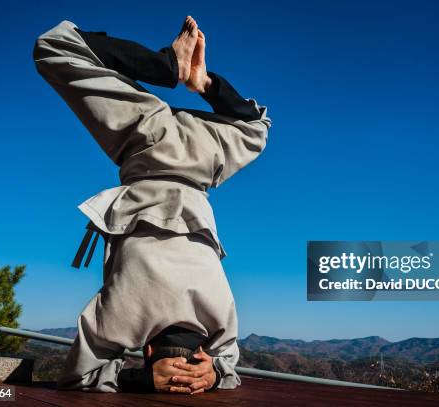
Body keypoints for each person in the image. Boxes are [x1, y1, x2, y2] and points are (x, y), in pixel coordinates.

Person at [32, 16, 271, 394]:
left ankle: (181, 71)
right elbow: (81, 378)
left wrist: (213, 372)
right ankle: (175, 68)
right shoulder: (122, 317)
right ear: (144, 348)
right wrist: (143, 378)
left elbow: (258, 126)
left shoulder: (221, 320)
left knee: (257, 130)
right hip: (157, 152)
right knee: (56, 47)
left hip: (202, 158)